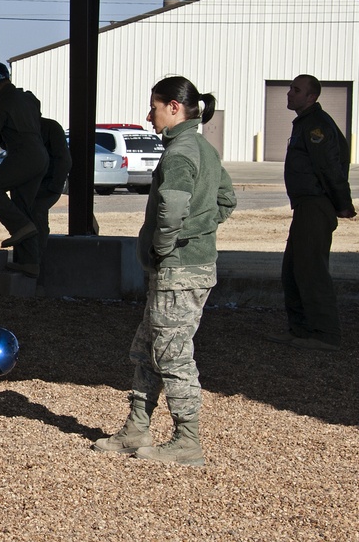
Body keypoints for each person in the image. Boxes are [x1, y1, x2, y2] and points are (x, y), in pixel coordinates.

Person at [94, 76, 236, 467]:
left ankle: (187, 441)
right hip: (188, 268)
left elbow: (171, 210)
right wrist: (201, 230)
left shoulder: (180, 152)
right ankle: (136, 428)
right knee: (146, 351)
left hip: (179, 272)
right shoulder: (202, 147)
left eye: (154, 107)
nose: (148, 116)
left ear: (174, 107)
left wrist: (165, 246)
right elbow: (226, 199)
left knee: (172, 356)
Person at [267, 74, 356, 352]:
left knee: (311, 270)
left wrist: (343, 204)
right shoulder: (305, 123)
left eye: (296, 90)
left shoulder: (316, 126)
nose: (289, 93)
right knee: (293, 269)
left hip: (315, 204)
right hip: (305, 205)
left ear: (311, 97)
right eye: (290, 88)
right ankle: (302, 329)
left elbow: (330, 168)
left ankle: (326, 333)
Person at [0, 62, 48, 276]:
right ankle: (30, 263)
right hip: (41, 157)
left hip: (23, 156)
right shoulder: (29, 99)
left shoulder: (2, 105)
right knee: (23, 208)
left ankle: (19, 227)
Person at [32, 116, 72, 265]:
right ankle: (29, 260)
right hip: (30, 185)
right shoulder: (23, 127)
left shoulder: (49, 128)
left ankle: (36, 262)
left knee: (37, 217)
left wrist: (55, 185)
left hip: (45, 184)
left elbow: (63, 159)